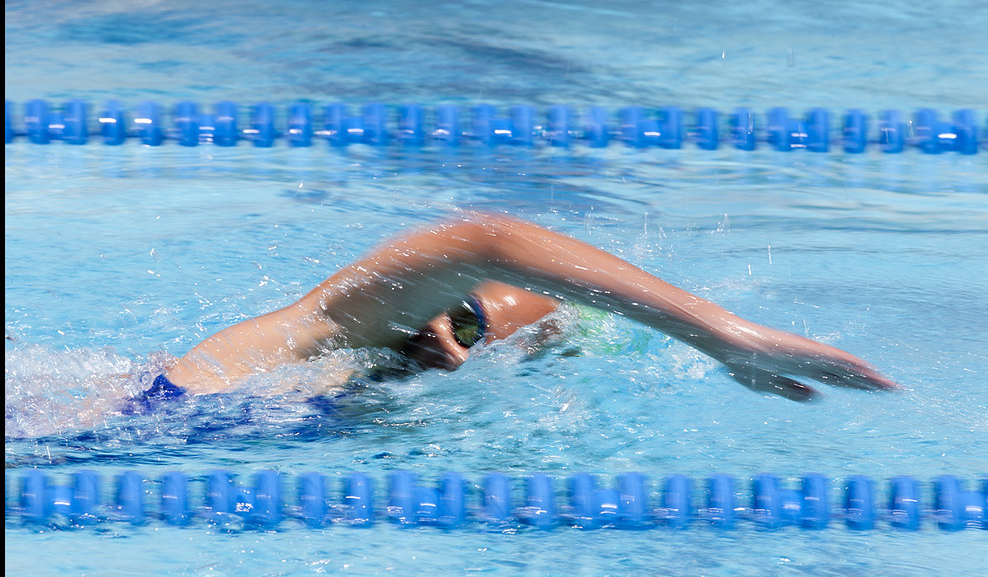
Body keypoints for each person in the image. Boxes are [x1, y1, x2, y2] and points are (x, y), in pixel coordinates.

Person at [147, 211, 895, 404]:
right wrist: (724, 335)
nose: (457, 349)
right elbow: (488, 240)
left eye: (476, 330)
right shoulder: (309, 336)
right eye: (457, 315)